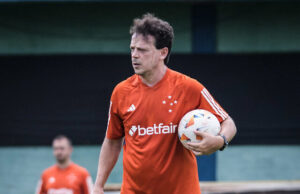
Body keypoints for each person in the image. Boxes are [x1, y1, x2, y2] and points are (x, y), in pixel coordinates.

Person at [93, 13, 237, 194]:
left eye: (143, 50)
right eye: (132, 49)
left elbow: (228, 123)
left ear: (163, 52)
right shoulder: (121, 92)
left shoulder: (188, 87)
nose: (135, 55)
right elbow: (112, 142)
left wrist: (219, 141)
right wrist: (98, 185)